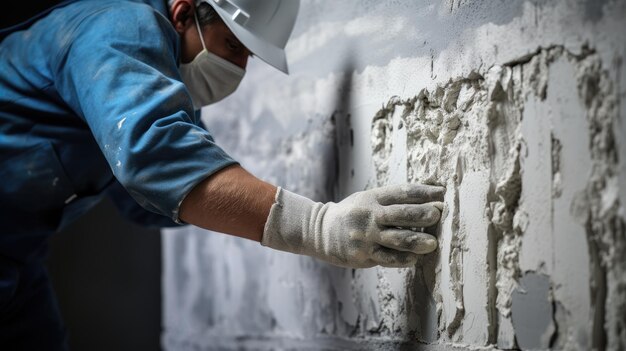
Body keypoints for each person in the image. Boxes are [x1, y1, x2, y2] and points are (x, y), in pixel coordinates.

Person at [0, 0, 445, 348]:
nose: (238, 69)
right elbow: (157, 157)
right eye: (233, 45)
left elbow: (148, 203)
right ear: (182, 14)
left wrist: (240, 189)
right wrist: (317, 225)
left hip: (16, 260)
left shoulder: (158, 77)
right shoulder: (120, 29)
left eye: (248, 55)